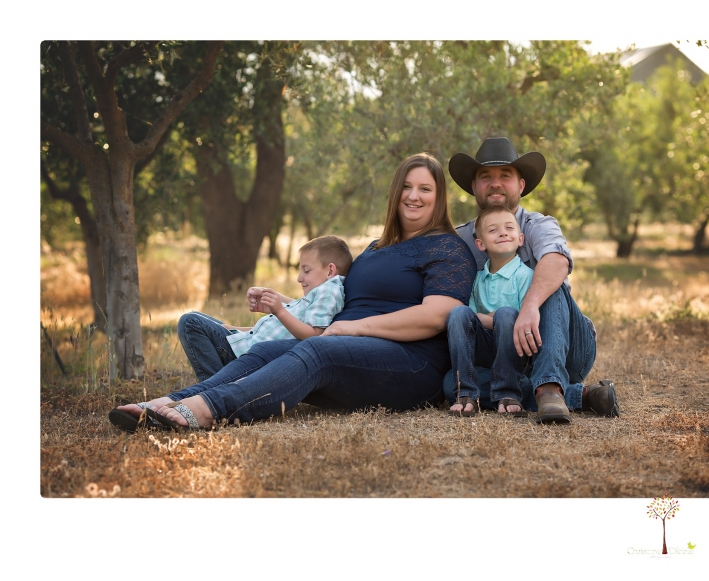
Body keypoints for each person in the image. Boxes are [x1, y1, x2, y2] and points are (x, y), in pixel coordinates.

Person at [109, 152, 476, 433]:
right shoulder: (376, 247)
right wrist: (283, 304)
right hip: (343, 349)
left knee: (318, 349)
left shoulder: (447, 248)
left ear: (438, 196)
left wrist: (354, 328)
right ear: (396, 194)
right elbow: (335, 301)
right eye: (407, 187)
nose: (414, 196)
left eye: (425, 189)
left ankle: (208, 409)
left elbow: (435, 316)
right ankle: (170, 401)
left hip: (410, 365)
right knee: (267, 350)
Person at [446, 137, 620, 423]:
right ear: (474, 187)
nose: (496, 183)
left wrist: (528, 308)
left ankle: (550, 387)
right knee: (449, 385)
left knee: (550, 281)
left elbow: (557, 262)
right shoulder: (463, 238)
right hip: (503, 353)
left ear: (521, 186)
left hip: (561, 345)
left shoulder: (538, 224)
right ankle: (582, 396)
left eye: (506, 176)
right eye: (485, 177)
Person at [177, 236, 352, 382]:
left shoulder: (329, 291)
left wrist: (279, 310)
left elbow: (315, 335)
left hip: (247, 354)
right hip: (246, 343)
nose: (299, 278)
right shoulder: (319, 294)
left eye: (306, 271)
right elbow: (291, 324)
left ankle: (216, 387)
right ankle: (218, 385)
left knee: (190, 322)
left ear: (330, 271)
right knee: (197, 318)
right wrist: (243, 327)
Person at [447, 205, 533, 418]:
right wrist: (489, 319)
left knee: (505, 314)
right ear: (480, 243)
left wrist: (492, 317)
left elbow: (523, 320)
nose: (503, 233)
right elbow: (469, 320)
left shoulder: (526, 276)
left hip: (517, 351)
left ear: (520, 238)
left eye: (509, 228)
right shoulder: (478, 279)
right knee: (458, 313)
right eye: (493, 230)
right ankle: (466, 393)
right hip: (485, 351)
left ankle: (508, 392)